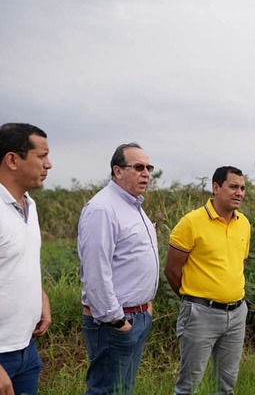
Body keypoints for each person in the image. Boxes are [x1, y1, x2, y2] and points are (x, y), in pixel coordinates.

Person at [78, 143, 159, 395]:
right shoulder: (103, 208)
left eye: (148, 167)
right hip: (114, 323)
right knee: (106, 390)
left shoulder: (133, 206)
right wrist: (117, 320)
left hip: (138, 316)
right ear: (117, 170)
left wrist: (145, 305)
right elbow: (95, 273)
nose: (145, 173)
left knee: (123, 389)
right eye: (138, 167)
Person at [164, 166, 250, 395]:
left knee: (226, 385)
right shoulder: (191, 222)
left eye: (242, 188)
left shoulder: (244, 223)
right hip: (200, 314)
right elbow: (172, 270)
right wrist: (192, 300)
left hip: (236, 314)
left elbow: (238, 265)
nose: (239, 193)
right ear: (216, 187)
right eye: (233, 187)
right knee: (188, 386)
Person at [0, 123, 52, 395]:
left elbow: (15, 262)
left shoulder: (29, 206)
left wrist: (39, 295)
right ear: (12, 160)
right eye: (41, 156)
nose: (49, 164)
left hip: (26, 349)